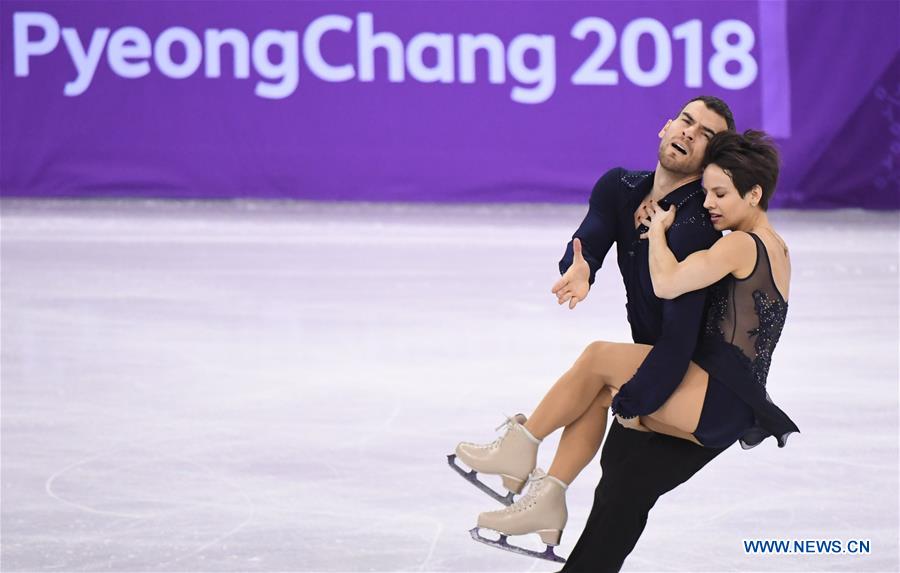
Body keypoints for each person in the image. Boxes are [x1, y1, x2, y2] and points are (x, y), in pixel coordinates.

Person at [449, 100, 794, 570]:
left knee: (597, 369)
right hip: (690, 377)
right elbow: (592, 232)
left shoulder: (705, 228)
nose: (691, 134)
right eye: (686, 121)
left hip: (701, 381)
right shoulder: (626, 188)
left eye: (707, 136)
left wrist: (636, 399)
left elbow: (677, 307)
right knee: (618, 485)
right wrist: (583, 264)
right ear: (665, 125)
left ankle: (521, 450)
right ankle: (548, 498)